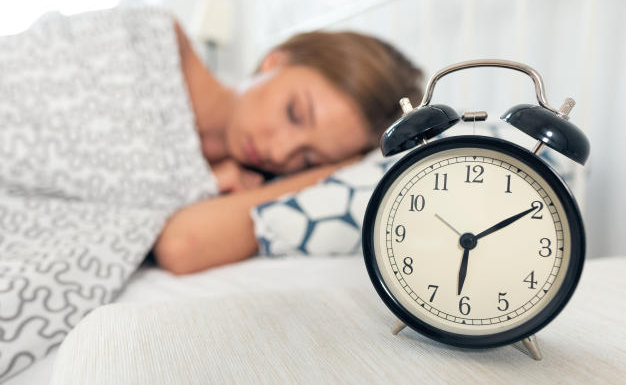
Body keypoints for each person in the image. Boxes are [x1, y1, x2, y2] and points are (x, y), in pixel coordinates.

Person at [153, 21, 424, 274]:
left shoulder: (247, 183)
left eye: (309, 157)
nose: (280, 153)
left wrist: (337, 170)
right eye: (294, 113)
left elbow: (181, 245)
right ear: (275, 61)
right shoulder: (159, 44)